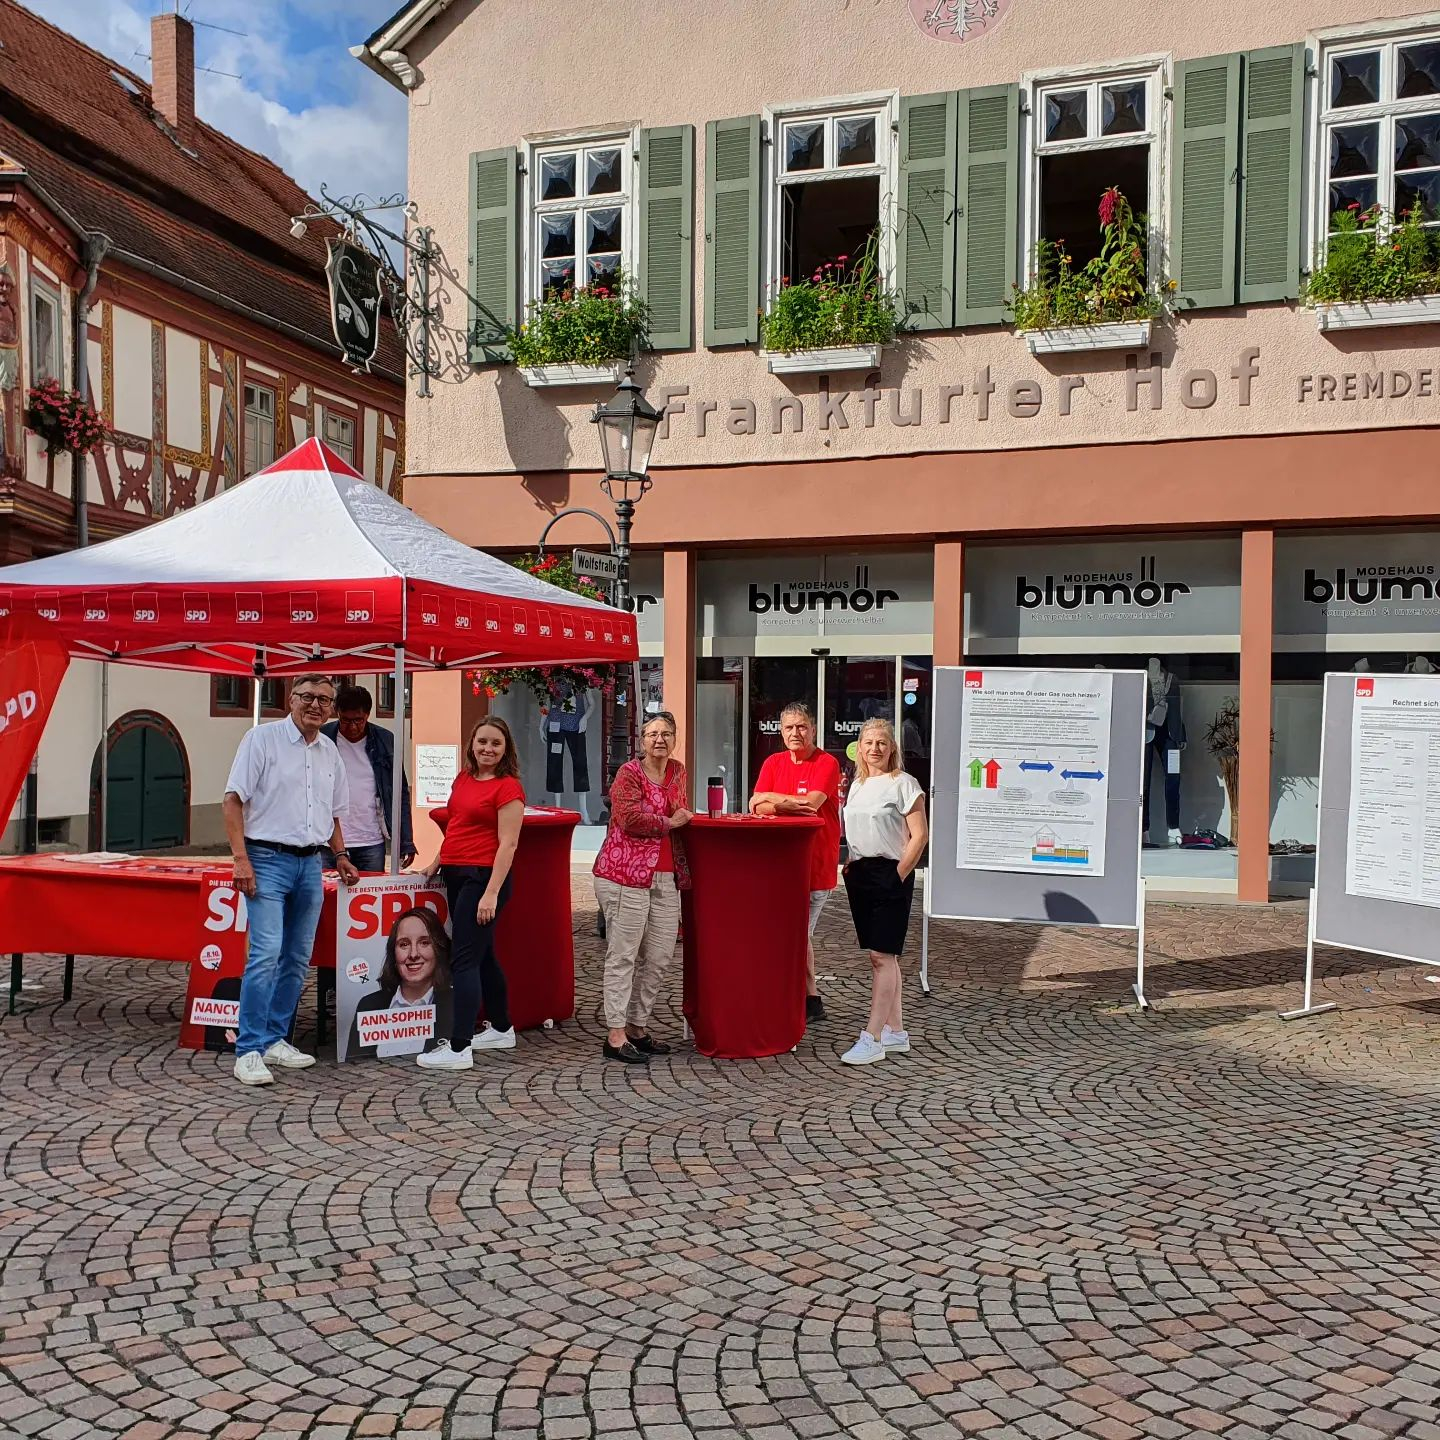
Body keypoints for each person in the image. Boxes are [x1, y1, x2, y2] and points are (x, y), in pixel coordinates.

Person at [223, 674, 360, 1086]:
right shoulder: (260, 740)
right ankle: (247, 1049)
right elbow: (232, 800)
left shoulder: (329, 750)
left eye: (325, 700)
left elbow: (332, 812)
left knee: (298, 957)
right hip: (265, 858)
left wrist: (340, 855)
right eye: (308, 697)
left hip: (311, 864)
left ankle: (274, 1038)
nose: (316, 705)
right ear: (291, 698)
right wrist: (240, 859)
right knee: (265, 953)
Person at [414, 715, 524, 1071]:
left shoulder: (508, 788)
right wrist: (436, 860)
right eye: (482, 742)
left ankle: (459, 1046)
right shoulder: (463, 779)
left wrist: (491, 893)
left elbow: (508, 845)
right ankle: (502, 1027)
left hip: (484, 878)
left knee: (464, 959)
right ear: (472, 745)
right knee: (484, 954)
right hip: (457, 873)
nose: (488, 749)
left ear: (506, 749)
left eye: (496, 743)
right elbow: (456, 826)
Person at [592, 710, 692, 1064]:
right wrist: (671, 821)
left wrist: (678, 818)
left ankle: (637, 1026)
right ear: (642, 740)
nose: (659, 740)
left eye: (666, 733)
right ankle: (615, 1035)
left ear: (675, 739)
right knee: (623, 955)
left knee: (660, 956)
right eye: (653, 734)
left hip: (666, 876)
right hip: (624, 874)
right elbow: (629, 818)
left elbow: (681, 807)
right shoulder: (629, 773)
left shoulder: (678, 771)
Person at [839, 718, 928, 1066]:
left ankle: (872, 1036)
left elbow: (920, 835)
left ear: (892, 748)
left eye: (882, 742)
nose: (875, 748)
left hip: (891, 872)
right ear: (859, 748)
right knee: (881, 956)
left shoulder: (904, 784)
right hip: (860, 872)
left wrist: (899, 875)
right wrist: (849, 861)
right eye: (869, 742)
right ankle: (896, 1031)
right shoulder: (858, 785)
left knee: (882, 957)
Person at [749, 701, 842, 1022]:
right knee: (792, 932)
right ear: (780, 731)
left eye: (801, 726)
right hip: (778, 865)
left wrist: (771, 799)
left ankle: (801, 996)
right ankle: (808, 999)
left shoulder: (827, 763)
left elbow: (811, 805)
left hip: (814, 866)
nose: (795, 733)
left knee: (797, 933)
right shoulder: (773, 762)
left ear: (813, 729)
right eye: (788, 727)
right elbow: (754, 806)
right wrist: (786, 803)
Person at [320, 683, 416, 874]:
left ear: (368, 715)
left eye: (359, 720)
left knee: (369, 897)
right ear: (336, 713)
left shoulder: (386, 741)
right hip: (326, 840)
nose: (352, 727)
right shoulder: (322, 738)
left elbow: (399, 793)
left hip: (370, 840)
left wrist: (406, 840)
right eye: (346, 720)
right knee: (325, 899)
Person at [347, 907, 453, 1059]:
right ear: (393, 952)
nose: (413, 954)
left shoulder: (455, 1004)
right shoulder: (369, 1006)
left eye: (424, 942)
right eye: (404, 944)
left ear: (439, 948)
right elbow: (354, 1064)